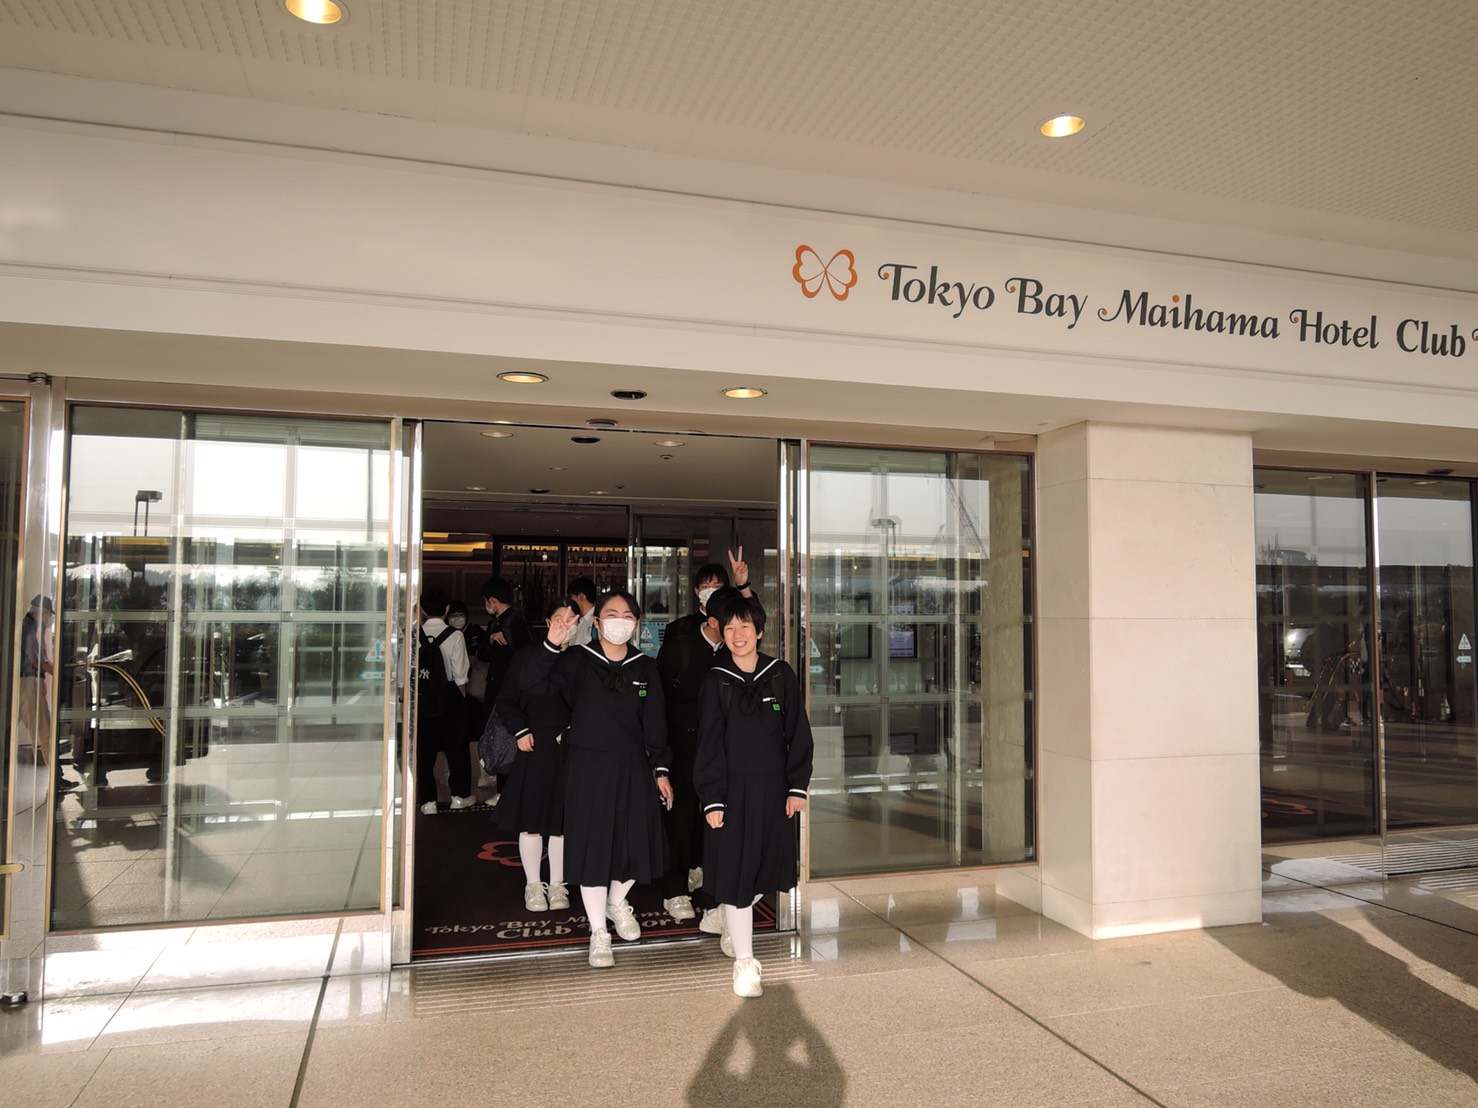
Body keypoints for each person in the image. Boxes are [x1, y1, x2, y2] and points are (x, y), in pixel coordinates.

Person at [525, 590, 673, 969]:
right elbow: (532, 684)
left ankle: (616, 902)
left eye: (627, 615)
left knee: (637, 842)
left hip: (632, 766)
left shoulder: (645, 667)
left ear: (636, 624)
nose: (619, 621)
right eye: (611, 614)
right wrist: (550, 644)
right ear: (597, 621)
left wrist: (661, 770)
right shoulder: (577, 659)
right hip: (586, 765)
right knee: (593, 847)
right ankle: (598, 931)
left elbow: (655, 723)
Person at [696, 595, 813, 998]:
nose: (737, 634)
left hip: (775, 792)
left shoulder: (780, 674)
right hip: (731, 794)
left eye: (745, 626)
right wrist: (712, 797)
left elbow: (798, 732)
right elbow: (709, 744)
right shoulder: (716, 680)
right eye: (729, 628)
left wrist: (797, 786)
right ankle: (745, 963)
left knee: (767, 868)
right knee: (736, 873)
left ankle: (726, 915)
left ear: (760, 631)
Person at [655, 567, 752, 924]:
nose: (737, 634)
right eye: (730, 626)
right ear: (712, 622)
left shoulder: (734, 653)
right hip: (683, 743)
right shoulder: (678, 648)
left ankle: (705, 877)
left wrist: (744, 586)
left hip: (722, 747)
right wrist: (659, 759)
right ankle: (674, 888)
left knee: (715, 814)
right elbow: (656, 706)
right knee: (679, 814)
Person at [495, 599, 577, 912]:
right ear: (547, 620)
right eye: (559, 618)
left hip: (570, 747)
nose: (565, 625)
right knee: (532, 820)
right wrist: (520, 731)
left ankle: (557, 884)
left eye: (571, 620)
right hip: (533, 744)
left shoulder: (581, 658)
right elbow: (506, 700)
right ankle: (533, 885)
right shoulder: (527, 657)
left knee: (562, 822)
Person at [415, 587, 472, 814]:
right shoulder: (456, 636)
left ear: (422, 609)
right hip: (450, 697)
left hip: (422, 697)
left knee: (424, 752)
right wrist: (462, 698)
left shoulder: (412, 635)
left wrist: (404, 702)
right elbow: (460, 676)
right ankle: (459, 796)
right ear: (447, 609)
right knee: (457, 748)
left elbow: (403, 674)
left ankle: (428, 801)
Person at [20, 595, 76, 793]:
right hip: (27, 684)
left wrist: (42, 679)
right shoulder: (30, 630)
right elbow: (38, 661)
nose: (48, 620)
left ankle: (56, 778)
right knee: (46, 733)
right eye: (47, 615)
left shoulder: (28, 628)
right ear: (39, 613)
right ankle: (56, 780)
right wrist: (64, 674)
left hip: (28, 682)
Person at [567, 577, 599, 646]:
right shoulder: (579, 620)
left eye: (571, 597)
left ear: (581, 597)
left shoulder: (596, 622)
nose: (570, 602)